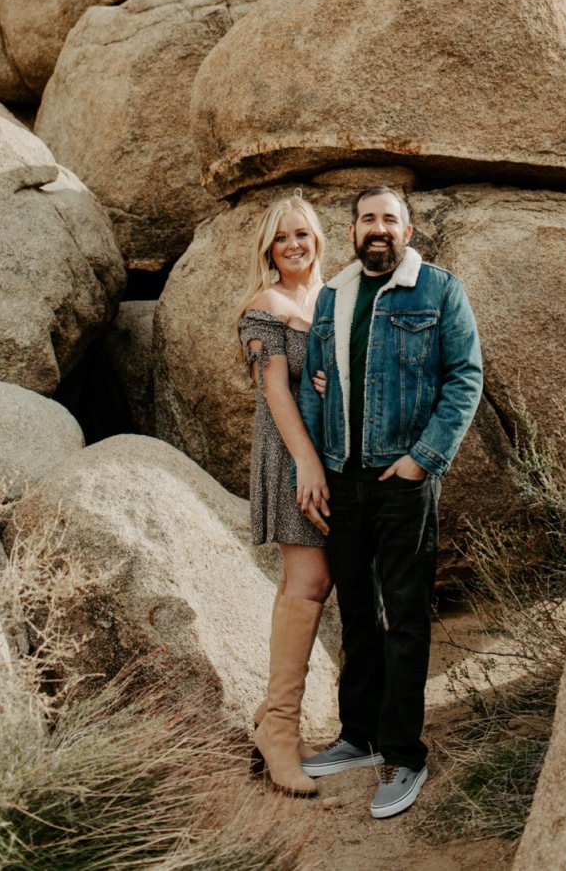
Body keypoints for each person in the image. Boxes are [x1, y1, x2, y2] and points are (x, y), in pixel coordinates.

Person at [296, 185, 484, 821]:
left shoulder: (438, 289)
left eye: (389, 219)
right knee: (356, 612)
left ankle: (404, 751)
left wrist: (422, 460)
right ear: (352, 230)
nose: (378, 228)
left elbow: (466, 377)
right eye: (367, 219)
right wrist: (318, 465)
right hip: (344, 477)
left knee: (404, 615)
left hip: (403, 480)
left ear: (408, 228)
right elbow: (318, 382)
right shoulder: (333, 295)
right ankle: (359, 736)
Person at [238, 195, 334, 798]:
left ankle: (273, 722)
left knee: (313, 583)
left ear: (318, 239)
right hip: (292, 454)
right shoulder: (263, 307)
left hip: (332, 453)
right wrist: (306, 463)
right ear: (268, 250)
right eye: (281, 238)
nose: (293, 245)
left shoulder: (330, 300)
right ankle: (279, 732)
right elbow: (274, 389)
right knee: (306, 582)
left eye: (302, 234)